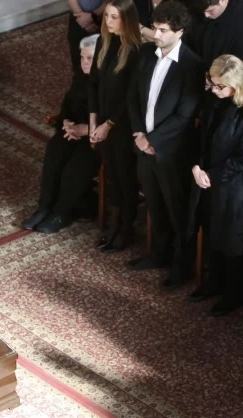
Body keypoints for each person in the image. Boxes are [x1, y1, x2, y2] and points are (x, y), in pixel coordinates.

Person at [126, 1, 205, 282]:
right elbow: (133, 96)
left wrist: (153, 140)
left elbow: (185, 115)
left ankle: (183, 265)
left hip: (171, 152)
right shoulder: (147, 54)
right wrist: (139, 133)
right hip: (144, 146)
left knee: (177, 210)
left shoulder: (193, 66)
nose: (155, 35)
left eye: (162, 30)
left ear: (180, 31)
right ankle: (160, 253)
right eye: (155, 28)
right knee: (155, 204)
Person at [182, 55, 243, 316]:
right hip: (205, 177)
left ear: (237, 84)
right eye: (213, 84)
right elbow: (201, 138)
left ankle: (235, 293)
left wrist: (210, 175)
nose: (214, 90)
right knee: (210, 230)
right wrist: (196, 166)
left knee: (231, 239)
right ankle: (213, 283)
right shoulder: (214, 100)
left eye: (220, 86)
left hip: (233, 185)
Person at [22, 35, 101, 233]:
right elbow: (68, 104)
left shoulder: (110, 82)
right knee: (55, 151)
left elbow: (114, 119)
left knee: (76, 166)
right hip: (74, 131)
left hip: (97, 138)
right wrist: (66, 122)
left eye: (89, 58)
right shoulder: (80, 76)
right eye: (82, 57)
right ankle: (44, 207)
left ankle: (61, 213)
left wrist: (86, 130)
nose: (84, 62)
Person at [87, 0, 142, 252]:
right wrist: (93, 122)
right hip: (102, 123)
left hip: (122, 125)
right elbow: (93, 84)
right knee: (111, 175)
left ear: (126, 20)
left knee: (124, 177)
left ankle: (126, 228)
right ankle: (114, 225)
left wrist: (108, 124)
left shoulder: (135, 50)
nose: (107, 22)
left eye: (113, 17)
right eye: (107, 15)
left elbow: (130, 96)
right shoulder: (103, 41)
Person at [185, 0, 243, 81]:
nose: (206, 15)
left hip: (224, 81)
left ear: (223, 0)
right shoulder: (200, 9)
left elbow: (242, 69)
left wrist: (212, 79)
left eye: (210, 11)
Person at [67, 0, 107, 74]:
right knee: (79, 59)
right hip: (78, 17)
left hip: (105, 15)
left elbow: (114, 2)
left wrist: (93, 15)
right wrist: (82, 19)